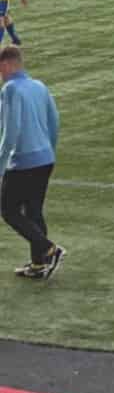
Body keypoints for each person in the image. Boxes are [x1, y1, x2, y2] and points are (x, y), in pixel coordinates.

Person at [0, 47, 64, 280]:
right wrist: (49, 151)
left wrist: (1, 165)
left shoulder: (10, 89)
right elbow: (54, 121)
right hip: (45, 158)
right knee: (34, 211)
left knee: (8, 210)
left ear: (6, 65)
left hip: (23, 161)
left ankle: (50, 249)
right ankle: (39, 264)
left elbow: (11, 133)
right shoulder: (39, 86)